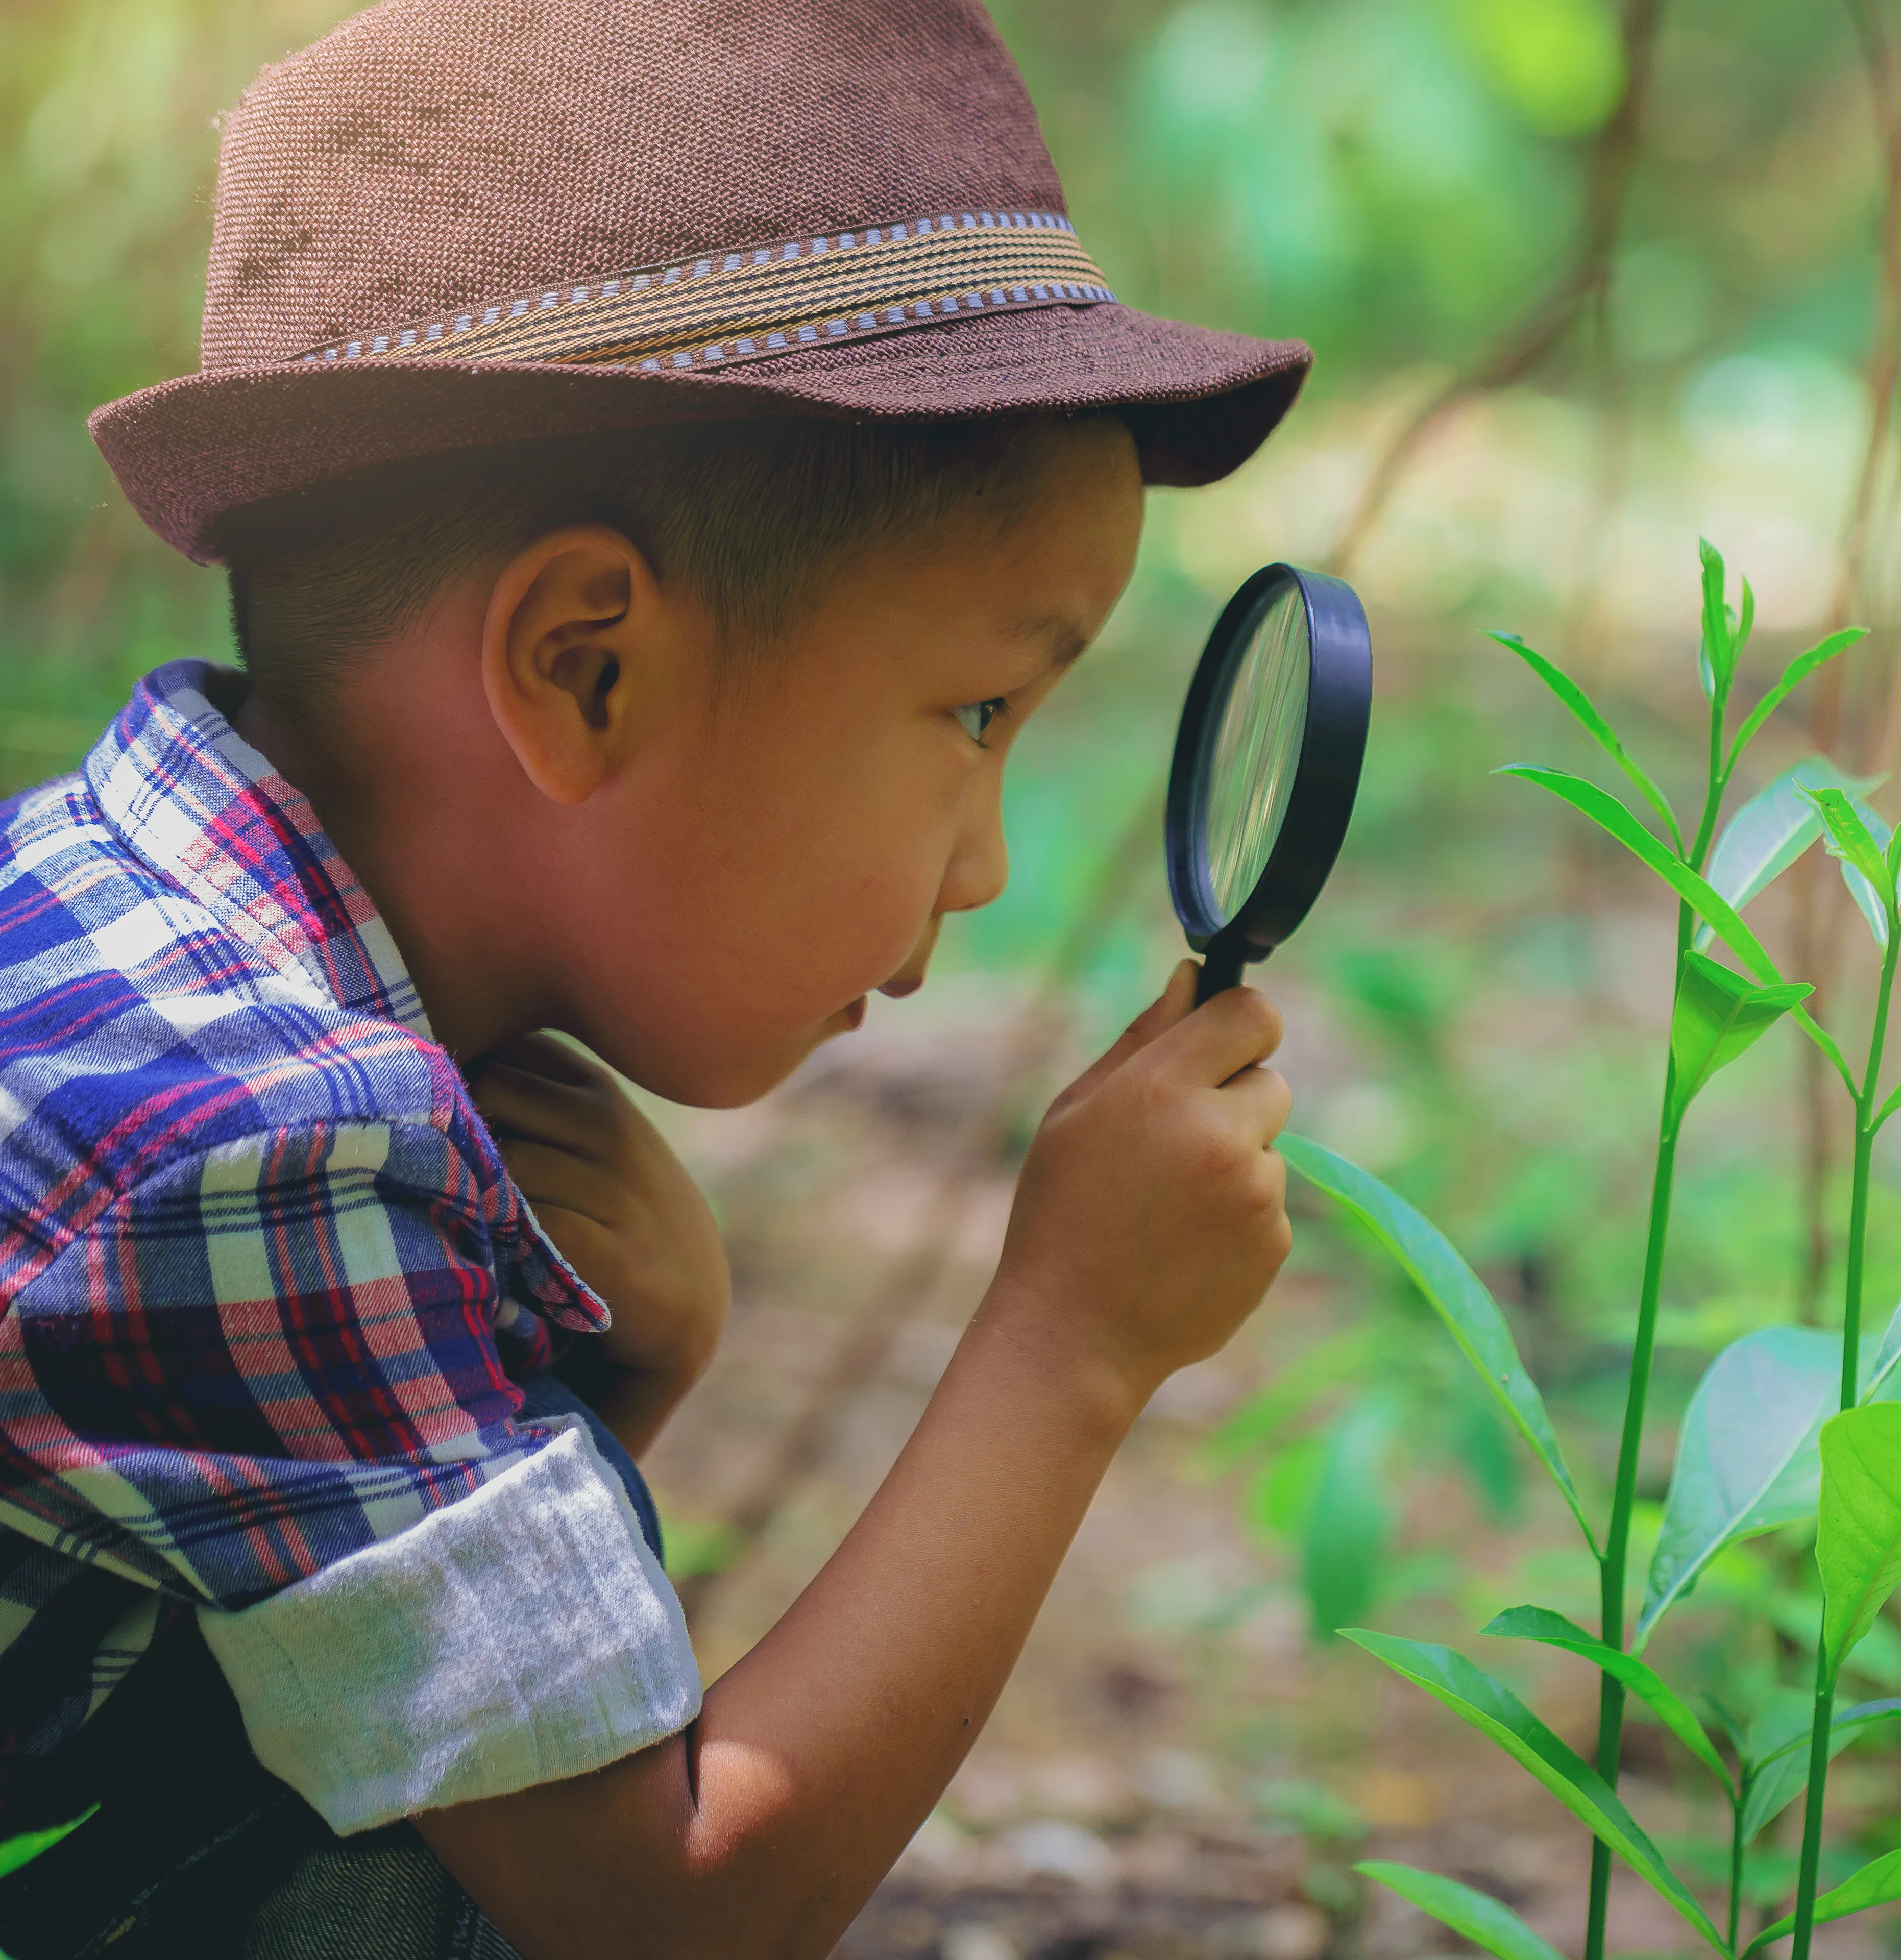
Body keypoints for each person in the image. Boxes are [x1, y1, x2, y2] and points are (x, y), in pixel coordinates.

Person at [0, 1, 1314, 1953]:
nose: (991, 862)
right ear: (584, 668)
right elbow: (655, 1913)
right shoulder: (258, 1144)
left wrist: (607, 1382)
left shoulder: (112, 923)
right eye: (974, 712)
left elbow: (378, 1709)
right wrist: (1073, 1344)